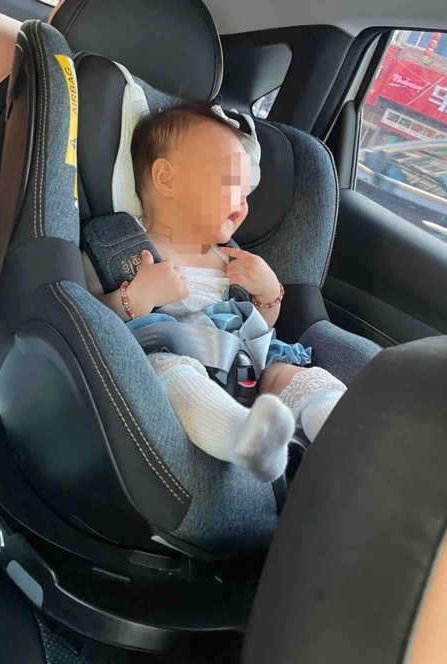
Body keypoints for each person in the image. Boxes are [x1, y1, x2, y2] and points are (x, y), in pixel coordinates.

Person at [83, 102, 346, 482]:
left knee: (290, 373)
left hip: (247, 366)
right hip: (171, 358)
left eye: (246, 192)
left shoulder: (229, 259)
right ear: (167, 180)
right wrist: (136, 297)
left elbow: (257, 330)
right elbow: (84, 315)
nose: (243, 203)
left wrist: (269, 295)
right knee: (172, 372)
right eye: (231, 184)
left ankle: (344, 432)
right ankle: (246, 440)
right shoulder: (120, 247)